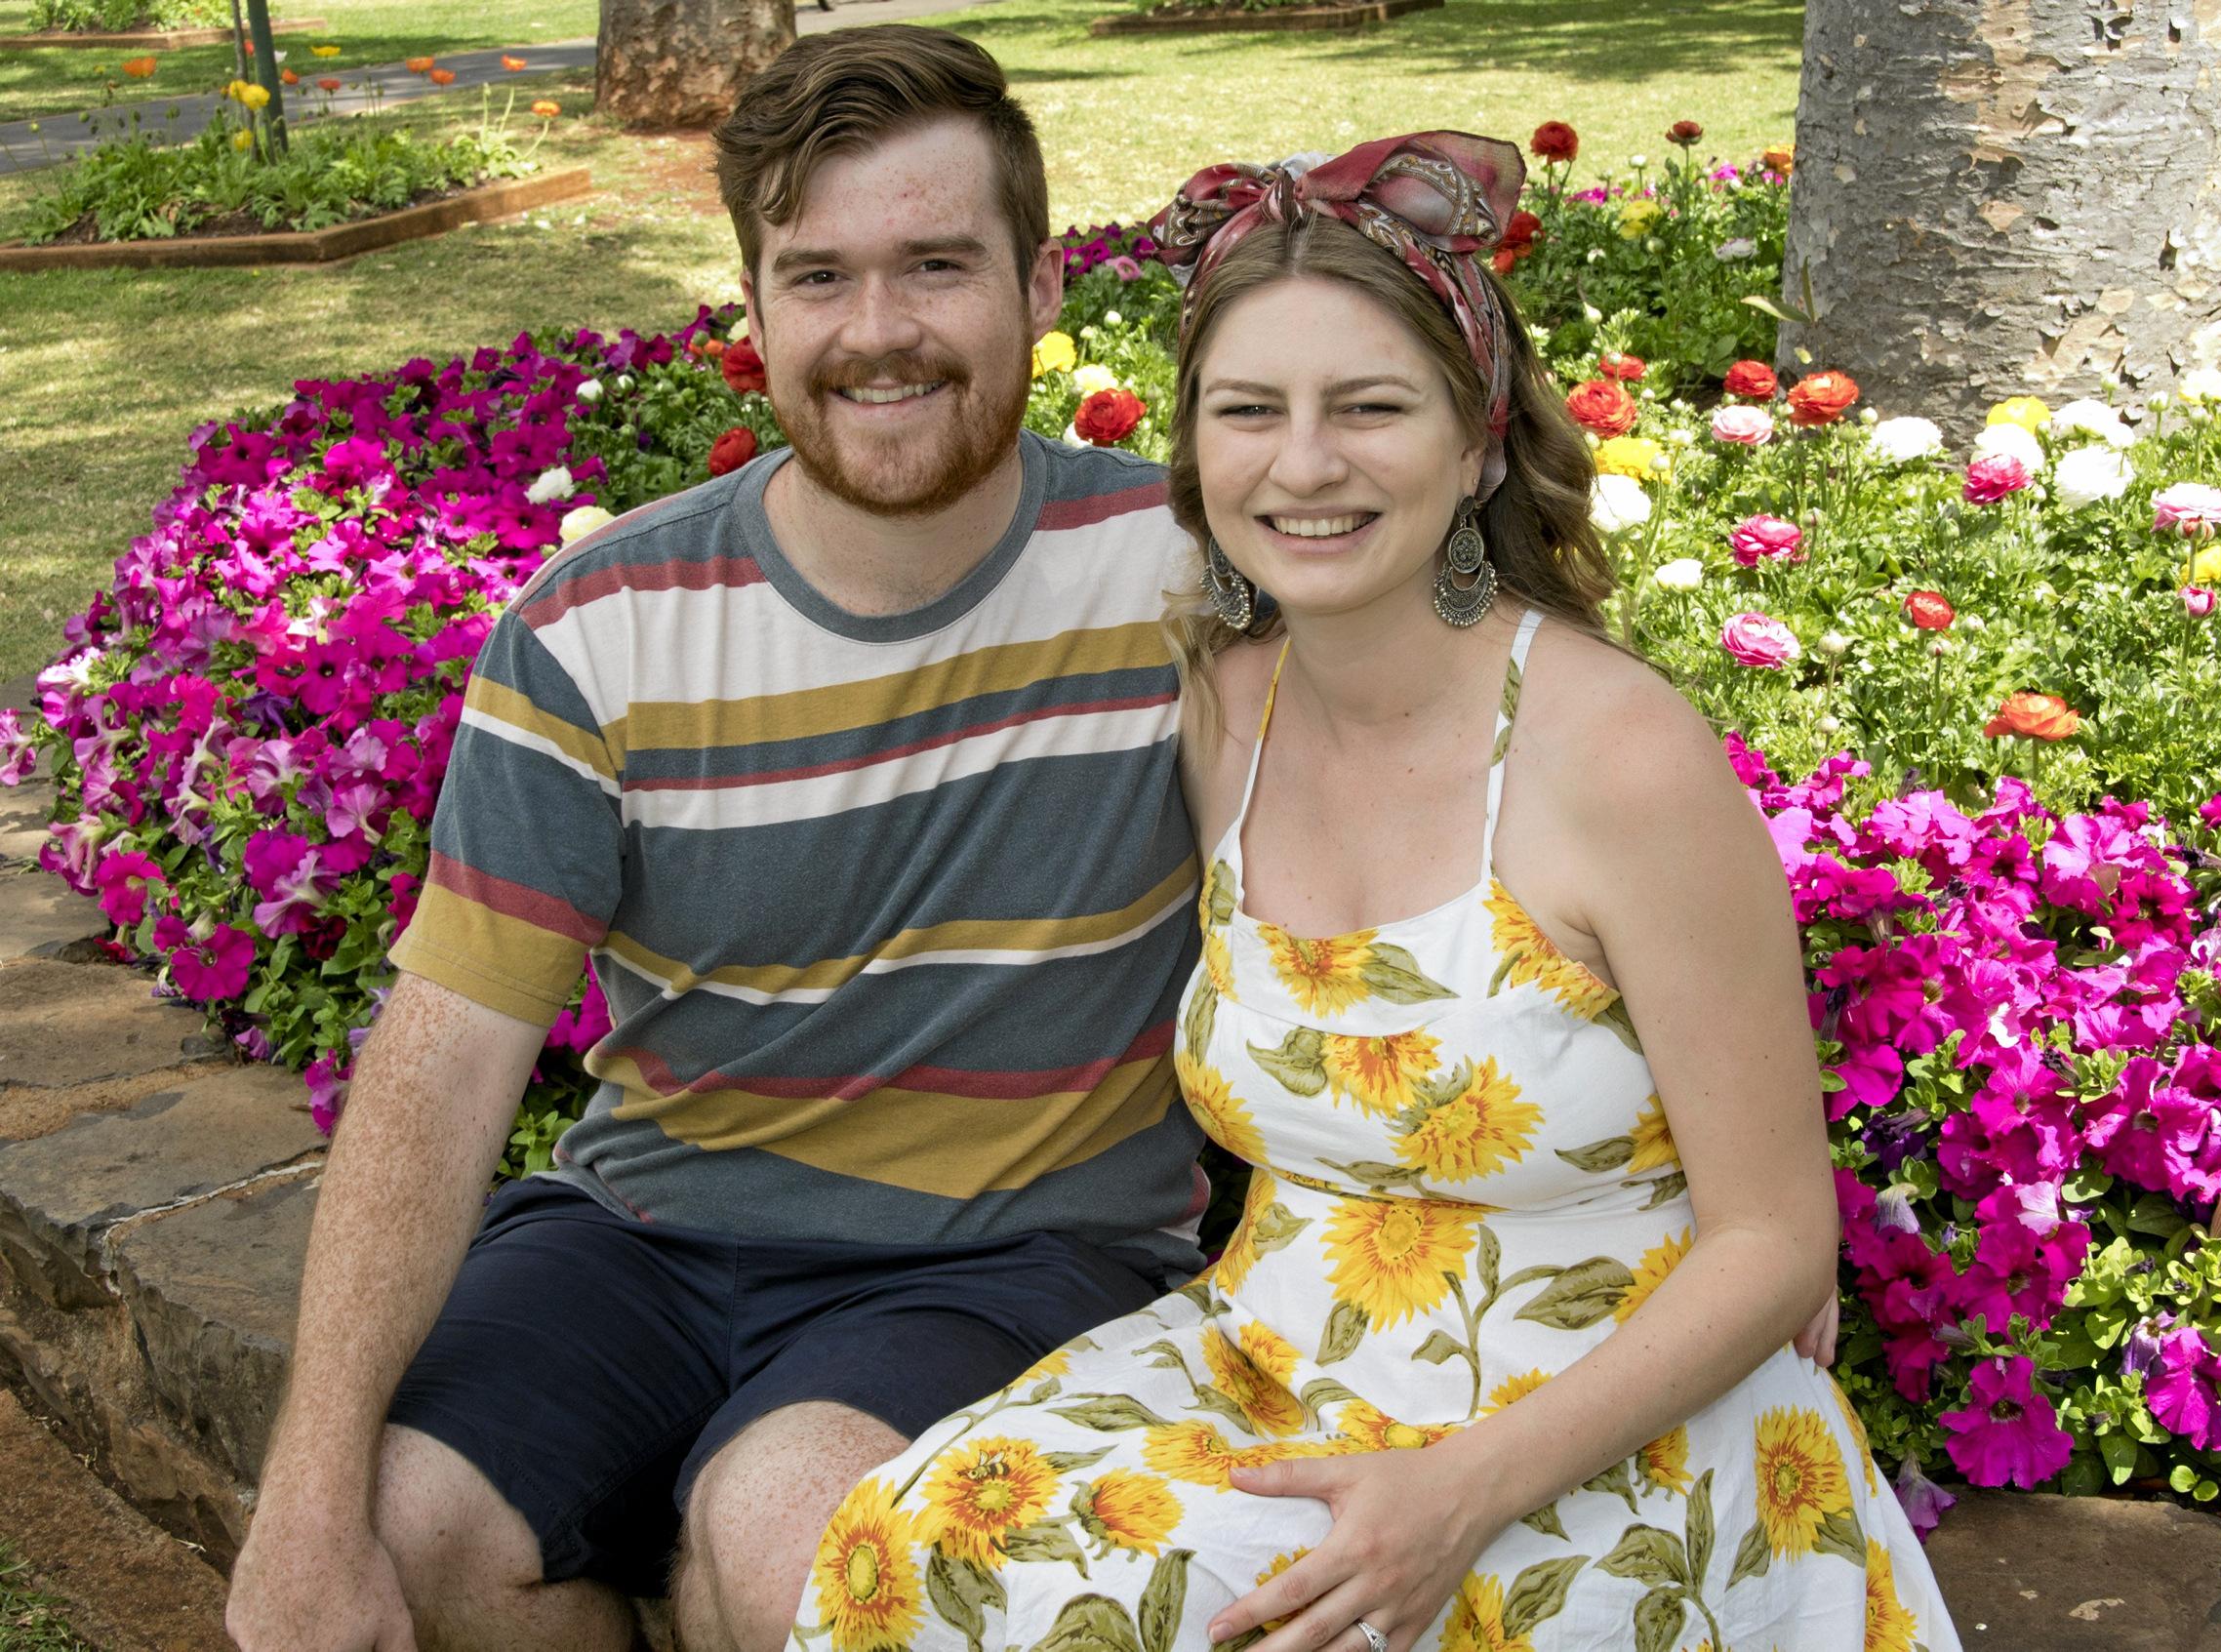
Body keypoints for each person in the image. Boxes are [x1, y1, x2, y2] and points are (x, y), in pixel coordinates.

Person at [782, 133, 1959, 1652]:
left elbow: (1773, 1242)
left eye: (1369, 408)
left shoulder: (1614, 758)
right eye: (1248, 411)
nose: (1302, 465)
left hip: (1609, 1417)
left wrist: (1458, 1492)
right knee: (922, 1540)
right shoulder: (1229, 709)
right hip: (1276, 1357)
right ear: (1195, 452)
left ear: (1476, 442)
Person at [223, 27, 1210, 1652]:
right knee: (406, 1526)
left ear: (1040, 286)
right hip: (650, 1231)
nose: (876, 333)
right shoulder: (604, 622)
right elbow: (450, 1046)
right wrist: (306, 1504)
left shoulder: (1180, 576)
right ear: (752, 308)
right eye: (816, 276)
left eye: (936, 266)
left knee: (792, 1528)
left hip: (1022, 1250)